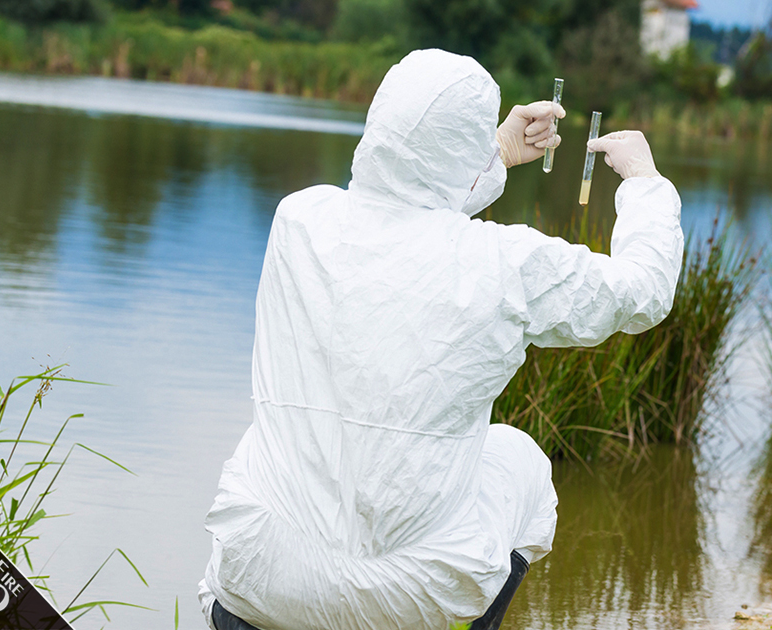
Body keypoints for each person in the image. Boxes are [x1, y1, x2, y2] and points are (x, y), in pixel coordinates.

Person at [197, 48, 684, 630]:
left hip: (259, 584)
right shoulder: (505, 263)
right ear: (460, 149)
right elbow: (643, 292)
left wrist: (495, 154)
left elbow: (400, 213)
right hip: (400, 605)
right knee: (521, 463)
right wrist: (645, 182)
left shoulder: (298, 221)